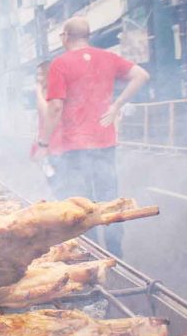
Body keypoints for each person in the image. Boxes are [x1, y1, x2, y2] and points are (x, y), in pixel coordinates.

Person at [38, 16, 150, 256]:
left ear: (66, 37)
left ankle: (91, 254)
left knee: (81, 205)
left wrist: (43, 143)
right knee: (108, 200)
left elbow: (56, 107)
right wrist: (116, 105)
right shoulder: (108, 57)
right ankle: (116, 254)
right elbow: (141, 75)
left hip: (74, 147)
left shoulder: (60, 63)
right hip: (105, 143)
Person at [31, 60, 63, 194]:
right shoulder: (45, 91)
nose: (38, 78)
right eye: (37, 75)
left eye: (41, 75)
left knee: (57, 180)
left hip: (56, 143)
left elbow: (46, 113)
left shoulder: (53, 91)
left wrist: (38, 92)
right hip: (46, 141)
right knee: (50, 177)